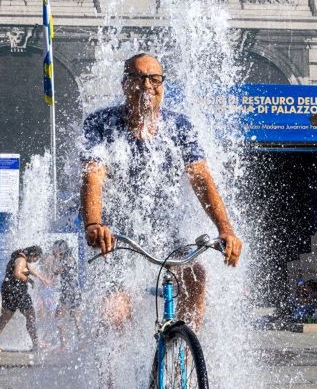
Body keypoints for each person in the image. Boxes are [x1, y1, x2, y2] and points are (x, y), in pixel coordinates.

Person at [81, 53, 242, 328]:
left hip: (167, 233)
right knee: (114, 314)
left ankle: (185, 360)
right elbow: (93, 176)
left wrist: (225, 229)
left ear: (162, 85)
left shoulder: (179, 127)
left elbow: (201, 178)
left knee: (195, 277)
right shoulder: (101, 124)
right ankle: (111, 370)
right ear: (125, 84)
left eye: (154, 79)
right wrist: (94, 224)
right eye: (139, 79)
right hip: (119, 238)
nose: (147, 86)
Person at [0, 246, 48, 353]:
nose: (35, 261)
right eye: (36, 258)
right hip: (18, 293)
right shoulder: (21, 260)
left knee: (5, 318)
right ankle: (36, 344)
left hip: (9, 291)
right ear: (33, 255)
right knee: (31, 316)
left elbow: (28, 268)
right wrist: (28, 280)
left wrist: (40, 278)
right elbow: (17, 273)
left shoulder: (20, 257)